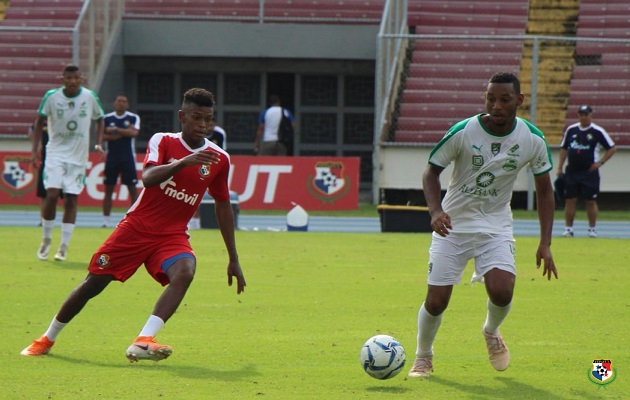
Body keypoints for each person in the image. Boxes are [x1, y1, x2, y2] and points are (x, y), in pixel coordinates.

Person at [20, 88, 246, 363]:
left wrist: (233, 258)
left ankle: (143, 340)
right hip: (136, 228)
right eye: (196, 117)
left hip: (172, 235)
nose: (203, 125)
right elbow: (148, 178)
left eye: (208, 119)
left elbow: (223, 205)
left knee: (185, 271)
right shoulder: (162, 141)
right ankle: (46, 338)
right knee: (93, 284)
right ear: (181, 116)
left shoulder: (219, 158)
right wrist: (184, 162)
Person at [407, 72, 559, 378]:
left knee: (502, 292)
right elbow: (431, 172)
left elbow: (545, 190)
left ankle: (491, 332)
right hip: (452, 226)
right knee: (437, 302)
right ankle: (423, 356)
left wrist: (545, 243)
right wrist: (435, 210)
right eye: (491, 98)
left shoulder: (532, 139)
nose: (497, 105)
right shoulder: (464, 131)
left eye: (504, 99)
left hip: (495, 226)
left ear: (519, 100)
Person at [31, 64, 105, 262]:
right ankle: (46, 239)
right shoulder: (52, 97)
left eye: (76, 78)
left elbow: (100, 118)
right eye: (69, 78)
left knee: (71, 199)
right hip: (55, 152)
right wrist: (35, 149)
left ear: (82, 79)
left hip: (78, 156)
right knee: (52, 194)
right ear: (62, 79)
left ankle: (63, 246)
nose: (72, 81)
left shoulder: (89, 97)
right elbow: (39, 121)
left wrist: (98, 143)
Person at [556, 105, 616, 238]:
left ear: (590, 115)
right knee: (570, 199)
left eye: (585, 114)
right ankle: (568, 228)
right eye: (581, 114)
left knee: (590, 200)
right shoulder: (571, 130)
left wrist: (600, 162)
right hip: (572, 170)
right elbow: (564, 148)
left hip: (589, 172)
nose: (583, 117)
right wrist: (560, 166)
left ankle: (592, 229)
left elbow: (611, 148)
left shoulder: (597, 131)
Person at [102, 95, 141, 228]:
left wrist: (115, 131)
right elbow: (102, 135)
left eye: (124, 101)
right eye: (119, 101)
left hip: (128, 158)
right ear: (114, 103)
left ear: (127, 105)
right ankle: (106, 221)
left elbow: (134, 133)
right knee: (108, 189)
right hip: (111, 158)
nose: (121, 103)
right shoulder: (107, 118)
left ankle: (134, 220)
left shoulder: (133, 117)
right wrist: (125, 132)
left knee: (132, 190)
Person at [188, 115, 227, 230]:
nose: (209, 127)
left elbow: (223, 152)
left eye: (211, 124)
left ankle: (217, 223)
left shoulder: (220, 134)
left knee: (219, 197)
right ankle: (195, 222)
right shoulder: (196, 132)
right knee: (194, 195)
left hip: (214, 167)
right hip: (197, 167)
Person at [27, 118, 63, 225]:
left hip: (63, 161)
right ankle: (43, 219)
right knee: (44, 193)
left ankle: (65, 221)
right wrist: (36, 144)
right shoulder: (42, 122)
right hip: (46, 161)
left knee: (65, 194)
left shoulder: (62, 121)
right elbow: (31, 130)